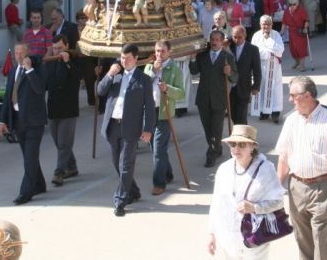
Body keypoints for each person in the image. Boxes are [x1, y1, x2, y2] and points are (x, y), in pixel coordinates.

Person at [276, 75, 327, 260]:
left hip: (323, 187)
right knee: (303, 239)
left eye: (294, 95)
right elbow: (284, 157)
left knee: (322, 238)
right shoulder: (291, 120)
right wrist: (277, 188)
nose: (290, 99)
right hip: (296, 187)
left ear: (308, 95)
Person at [207, 125, 285, 260]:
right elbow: (216, 204)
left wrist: (254, 208)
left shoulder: (266, 170)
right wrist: (211, 234)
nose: (236, 148)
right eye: (233, 144)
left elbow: (278, 202)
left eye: (242, 144)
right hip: (228, 237)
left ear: (252, 147)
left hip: (254, 237)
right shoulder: (224, 169)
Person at [97, 43, 156, 216]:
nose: (124, 61)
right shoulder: (115, 75)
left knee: (126, 164)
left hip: (130, 127)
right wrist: (109, 74)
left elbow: (150, 107)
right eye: (122, 58)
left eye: (128, 58)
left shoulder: (143, 79)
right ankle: (134, 190)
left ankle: (120, 200)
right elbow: (100, 91)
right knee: (116, 163)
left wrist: (148, 129)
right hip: (112, 125)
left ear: (136, 59)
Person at [0, 43, 47, 205]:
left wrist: (29, 70)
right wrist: (2, 120)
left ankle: (26, 192)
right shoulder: (13, 71)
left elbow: (40, 89)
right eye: (16, 52)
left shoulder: (36, 69)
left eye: (21, 53)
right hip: (18, 120)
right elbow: (7, 99)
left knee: (30, 158)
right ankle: (39, 184)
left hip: (34, 121)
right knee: (28, 156)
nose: (18, 56)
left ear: (28, 54)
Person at [189, 30, 238, 168]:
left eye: (217, 40)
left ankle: (211, 155)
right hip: (203, 98)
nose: (214, 42)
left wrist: (230, 73)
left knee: (216, 128)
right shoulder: (202, 55)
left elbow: (235, 77)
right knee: (208, 129)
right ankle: (217, 148)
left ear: (222, 41)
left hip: (219, 98)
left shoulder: (227, 57)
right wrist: (193, 59)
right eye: (212, 39)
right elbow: (194, 71)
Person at [144, 39, 185, 195]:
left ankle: (159, 183)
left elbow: (181, 93)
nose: (159, 54)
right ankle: (167, 174)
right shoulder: (149, 66)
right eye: (157, 51)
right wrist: (153, 71)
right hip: (149, 112)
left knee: (158, 149)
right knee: (155, 147)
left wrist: (167, 88)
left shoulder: (174, 69)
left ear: (169, 52)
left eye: (162, 51)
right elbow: (143, 86)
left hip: (164, 112)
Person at [44, 35, 82, 187]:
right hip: (53, 107)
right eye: (54, 48)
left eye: (60, 48)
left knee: (64, 143)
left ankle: (59, 172)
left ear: (66, 46)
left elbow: (78, 77)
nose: (57, 51)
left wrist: (68, 63)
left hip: (69, 108)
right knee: (58, 142)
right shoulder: (50, 62)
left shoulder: (75, 60)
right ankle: (71, 167)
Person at [251, 16, 284, 123]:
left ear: (272, 24)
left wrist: (269, 40)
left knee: (275, 89)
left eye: (268, 24)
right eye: (264, 24)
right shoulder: (256, 35)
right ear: (260, 24)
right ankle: (264, 112)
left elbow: (280, 50)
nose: (266, 26)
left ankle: (275, 112)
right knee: (262, 87)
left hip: (274, 67)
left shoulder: (276, 34)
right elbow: (254, 51)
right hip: (260, 65)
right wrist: (269, 53)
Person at [228, 26, 261, 125]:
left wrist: (256, 87)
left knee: (241, 115)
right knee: (233, 114)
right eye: (235, 37)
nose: (237, 40)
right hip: (230, 86)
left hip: (244, 86)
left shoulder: (253, 49)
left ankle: (242, 137)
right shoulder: (229, 46)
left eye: (240, 37)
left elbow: (257, 70)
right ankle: (241, 134)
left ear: (245, 35)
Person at [281, 0, 309, 71]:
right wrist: (282, 31)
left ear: (298, 4)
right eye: (290, 4)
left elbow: (306, 20)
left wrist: (305, 28)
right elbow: (284, 22)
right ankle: (297, 62)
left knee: (301, 49)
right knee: (293, 49)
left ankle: (302, 65)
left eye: (294, 4)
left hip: (300, 31)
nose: (292, 6)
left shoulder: (301, 10)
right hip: (291, 32)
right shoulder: (287, 11)